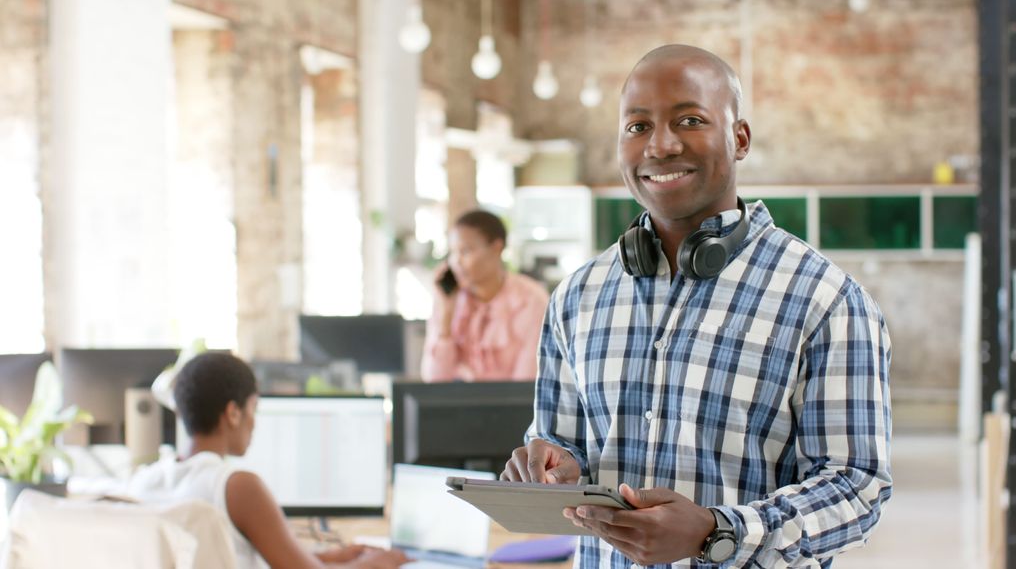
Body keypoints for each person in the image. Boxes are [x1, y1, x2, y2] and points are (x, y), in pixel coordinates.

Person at [501, 44, 892, 568]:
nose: (659, 146)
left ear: (740, 137)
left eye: (689, 120)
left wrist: (716, 531)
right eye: (637, 127)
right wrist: (552, 466)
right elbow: (557, 439)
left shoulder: (825, 300)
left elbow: (856, 486)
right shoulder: (578, 297)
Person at [127, 352, 409, 569]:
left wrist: (330, 556)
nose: (255, 423)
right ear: (233, 413)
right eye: (254, 410)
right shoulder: (236, 485)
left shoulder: (143, 482)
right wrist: (379, 562)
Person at [421, 209, 550, 382]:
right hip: (458, 406)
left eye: (465, 251)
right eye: (453, 252)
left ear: (496, 248)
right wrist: (446, 317)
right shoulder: (448, 300)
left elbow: (527, 386)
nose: (456, 262)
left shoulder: (532, 300)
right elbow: (434, 380)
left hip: (512, 407)